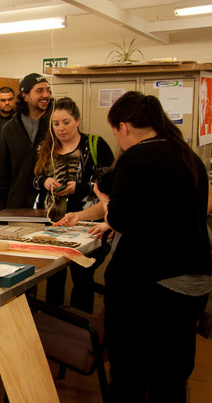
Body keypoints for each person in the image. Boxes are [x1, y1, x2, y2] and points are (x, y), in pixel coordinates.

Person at [95, 91, 211, 402]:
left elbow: (121, 218)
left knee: (128, 376)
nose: (118, 140)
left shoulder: (136, 157)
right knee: (170, 377)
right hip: (191, 287)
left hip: (152, 289)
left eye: (116, 133)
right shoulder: (188, 156)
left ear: (125, 127)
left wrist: (106, 201)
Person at [32, 97, 115, 310]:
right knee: (54, 276)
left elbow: (109, 183)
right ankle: (53, 321)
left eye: (66, 122)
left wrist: (79, 187)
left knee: (82, 277)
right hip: (53, 224)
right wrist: (45, 182)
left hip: (88, 223)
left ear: (77, 120)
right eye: (56, 123)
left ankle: (81, 324)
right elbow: (33, 179)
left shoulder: (94, 145)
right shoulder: (46, 147)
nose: (60, 128)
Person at [0, 73, 53, 209]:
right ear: (25, 96)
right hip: (16, 206)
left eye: (48, 90)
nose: (45, 95)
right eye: (39, 90)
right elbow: (3, 176)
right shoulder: (9, 129)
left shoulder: (55, 126)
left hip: (48, 206)